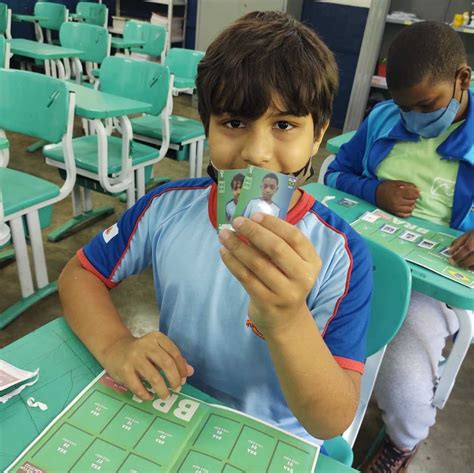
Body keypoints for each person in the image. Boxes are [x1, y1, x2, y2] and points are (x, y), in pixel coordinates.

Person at [59, 11, 372, 446]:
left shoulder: (342, 254)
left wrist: (286, 319)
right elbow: (79, 274)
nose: (256, 152)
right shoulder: (165, 207)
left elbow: (330, 421)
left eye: (284, 125)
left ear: (317, 135)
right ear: (207, 126)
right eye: (234, 123)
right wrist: (116, 346)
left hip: (272, 439)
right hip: (173, 410)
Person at [325, 21, 474, 472]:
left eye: (426, 105)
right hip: (356, 257)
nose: (412, 118)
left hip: (430, 284)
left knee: (401, 372)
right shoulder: (384, 119)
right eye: (402, 105)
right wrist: (376, 192)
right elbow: (333, 173)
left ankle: (403, 440)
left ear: (462, 79)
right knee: (299, 323)